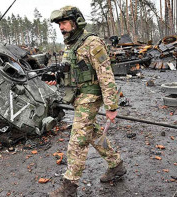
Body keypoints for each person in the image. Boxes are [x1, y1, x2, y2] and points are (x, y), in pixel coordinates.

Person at [48, 6, 127, 197]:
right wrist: (56, 77)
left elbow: (106, 75)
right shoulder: (70, 45)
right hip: (79, 96)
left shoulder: (92, 43)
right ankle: (116, 165)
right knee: (91, 132)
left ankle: (69, 187)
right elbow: (72, 72)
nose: (61, 28)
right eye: (59, 24)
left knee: (78, 140)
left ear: (76, 22)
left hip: (91, 96)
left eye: (64, 23)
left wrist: (111, 106)